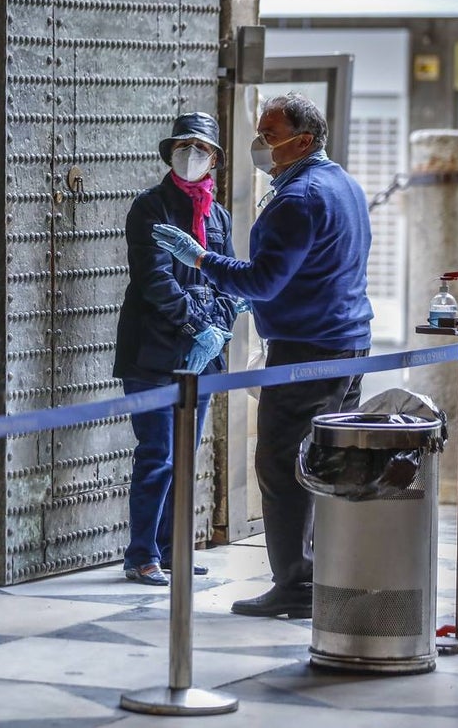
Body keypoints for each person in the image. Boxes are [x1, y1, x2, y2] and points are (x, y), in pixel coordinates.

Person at [153, 92, 373, 618]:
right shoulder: (344, 183)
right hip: (349, 342)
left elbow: (267, 282)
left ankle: (296, 585)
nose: (260, 143)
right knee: (325, 462)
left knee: (280, 462)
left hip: (308, 348)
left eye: (270, 134)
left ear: (303, 139)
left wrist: (203, 258)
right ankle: (325, 573)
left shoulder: (298, 197)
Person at [113, 112, 245, 587]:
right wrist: (194, 322)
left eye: (202, 148)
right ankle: (141, 554)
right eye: (184, 145)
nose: (193, 155)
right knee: (157, 454)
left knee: (185, 454)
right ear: (171, 152)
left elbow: (226, 274)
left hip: (203, 358)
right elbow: (153, 279)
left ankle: (173, 549)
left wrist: (222, 322)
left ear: (214, 160)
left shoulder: (219, 214)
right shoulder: (149, 207)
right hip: (152, 351)